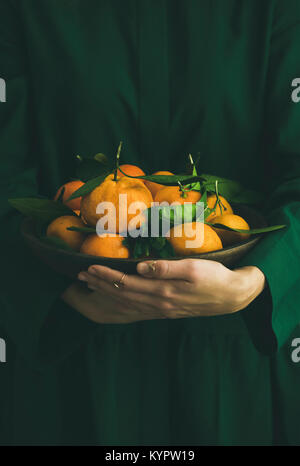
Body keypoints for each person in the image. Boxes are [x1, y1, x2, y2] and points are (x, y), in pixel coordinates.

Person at [0, 0, 300, 446]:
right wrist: (53, 289)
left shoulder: (276, 11)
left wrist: (261, 278)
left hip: (231, 364)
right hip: (71, 359)